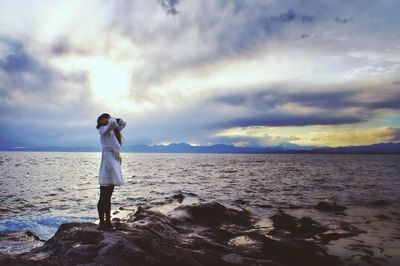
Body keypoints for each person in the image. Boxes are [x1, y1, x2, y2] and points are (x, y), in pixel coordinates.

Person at [96, 113, 126, 230]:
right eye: (106, 118)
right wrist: (111, 119)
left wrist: (114, 118)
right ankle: (102, 222)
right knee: (104, 195)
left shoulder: (112, 130)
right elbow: (113, 122)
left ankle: (107, 222)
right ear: (101, 120)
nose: (109, 119)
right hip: (107, 163)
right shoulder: (103, 129)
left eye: (108, 117)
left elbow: (123, 123)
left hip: (114, 161)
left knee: (108, 195)